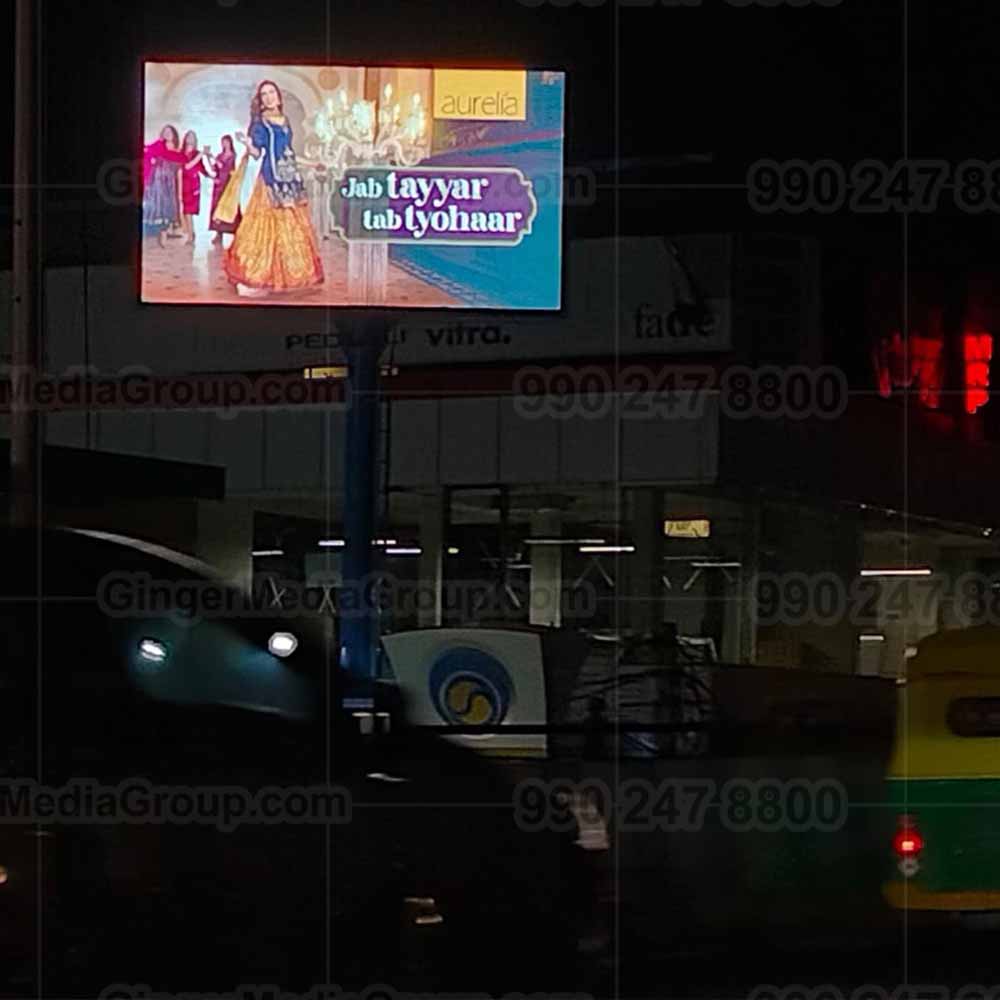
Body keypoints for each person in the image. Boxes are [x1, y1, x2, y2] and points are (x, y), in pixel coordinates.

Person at [223, 80, 324, 298]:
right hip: (269, 180)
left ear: (278, 96)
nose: (268, 97)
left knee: (291, 229)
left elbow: (287, 153)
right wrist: (247, 145)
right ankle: (256, 277)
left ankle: (288, 276)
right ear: (260, 101)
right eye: (263, 95)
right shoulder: (259, 124)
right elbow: (259, 154)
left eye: (271, 93)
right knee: (263, 229)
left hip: (288, 180)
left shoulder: (285, 121)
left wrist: (312, 163)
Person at [142, 125, 185, 248]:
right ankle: (153, 237)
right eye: (165, 132)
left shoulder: (177, 150)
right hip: (157, 180)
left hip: (169, 181)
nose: (167, 134)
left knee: (167, 207)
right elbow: (147, 152)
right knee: (156, 206)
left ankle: (163, 236)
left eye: (169, 132)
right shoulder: (158, 145)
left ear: (173, 134)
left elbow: (180, 164)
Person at [178, 130, 215, 245]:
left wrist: (211, 175)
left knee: (189, 210)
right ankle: (190, 232)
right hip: (181, 182)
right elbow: (185, 167)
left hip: (193, 184)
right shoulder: (181, 153)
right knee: (184, 210)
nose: (190, 139)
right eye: (189, 136)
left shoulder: (197, 154)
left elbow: (202, 168)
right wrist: (201, 155)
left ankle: (191, 234)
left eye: (193, 137)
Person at [209, 134, 239, 246]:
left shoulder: (232, 156)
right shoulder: (219, 155)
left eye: (226, 142)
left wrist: (215, 160)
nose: (224, 144)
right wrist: (209, 157)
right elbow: (214, 168)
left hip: (228, 184)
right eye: (223, 142)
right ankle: (218, 233)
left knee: (228, 206)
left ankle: (234, 230)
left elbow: (226, 168)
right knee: (217, 207)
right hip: (219, 184)